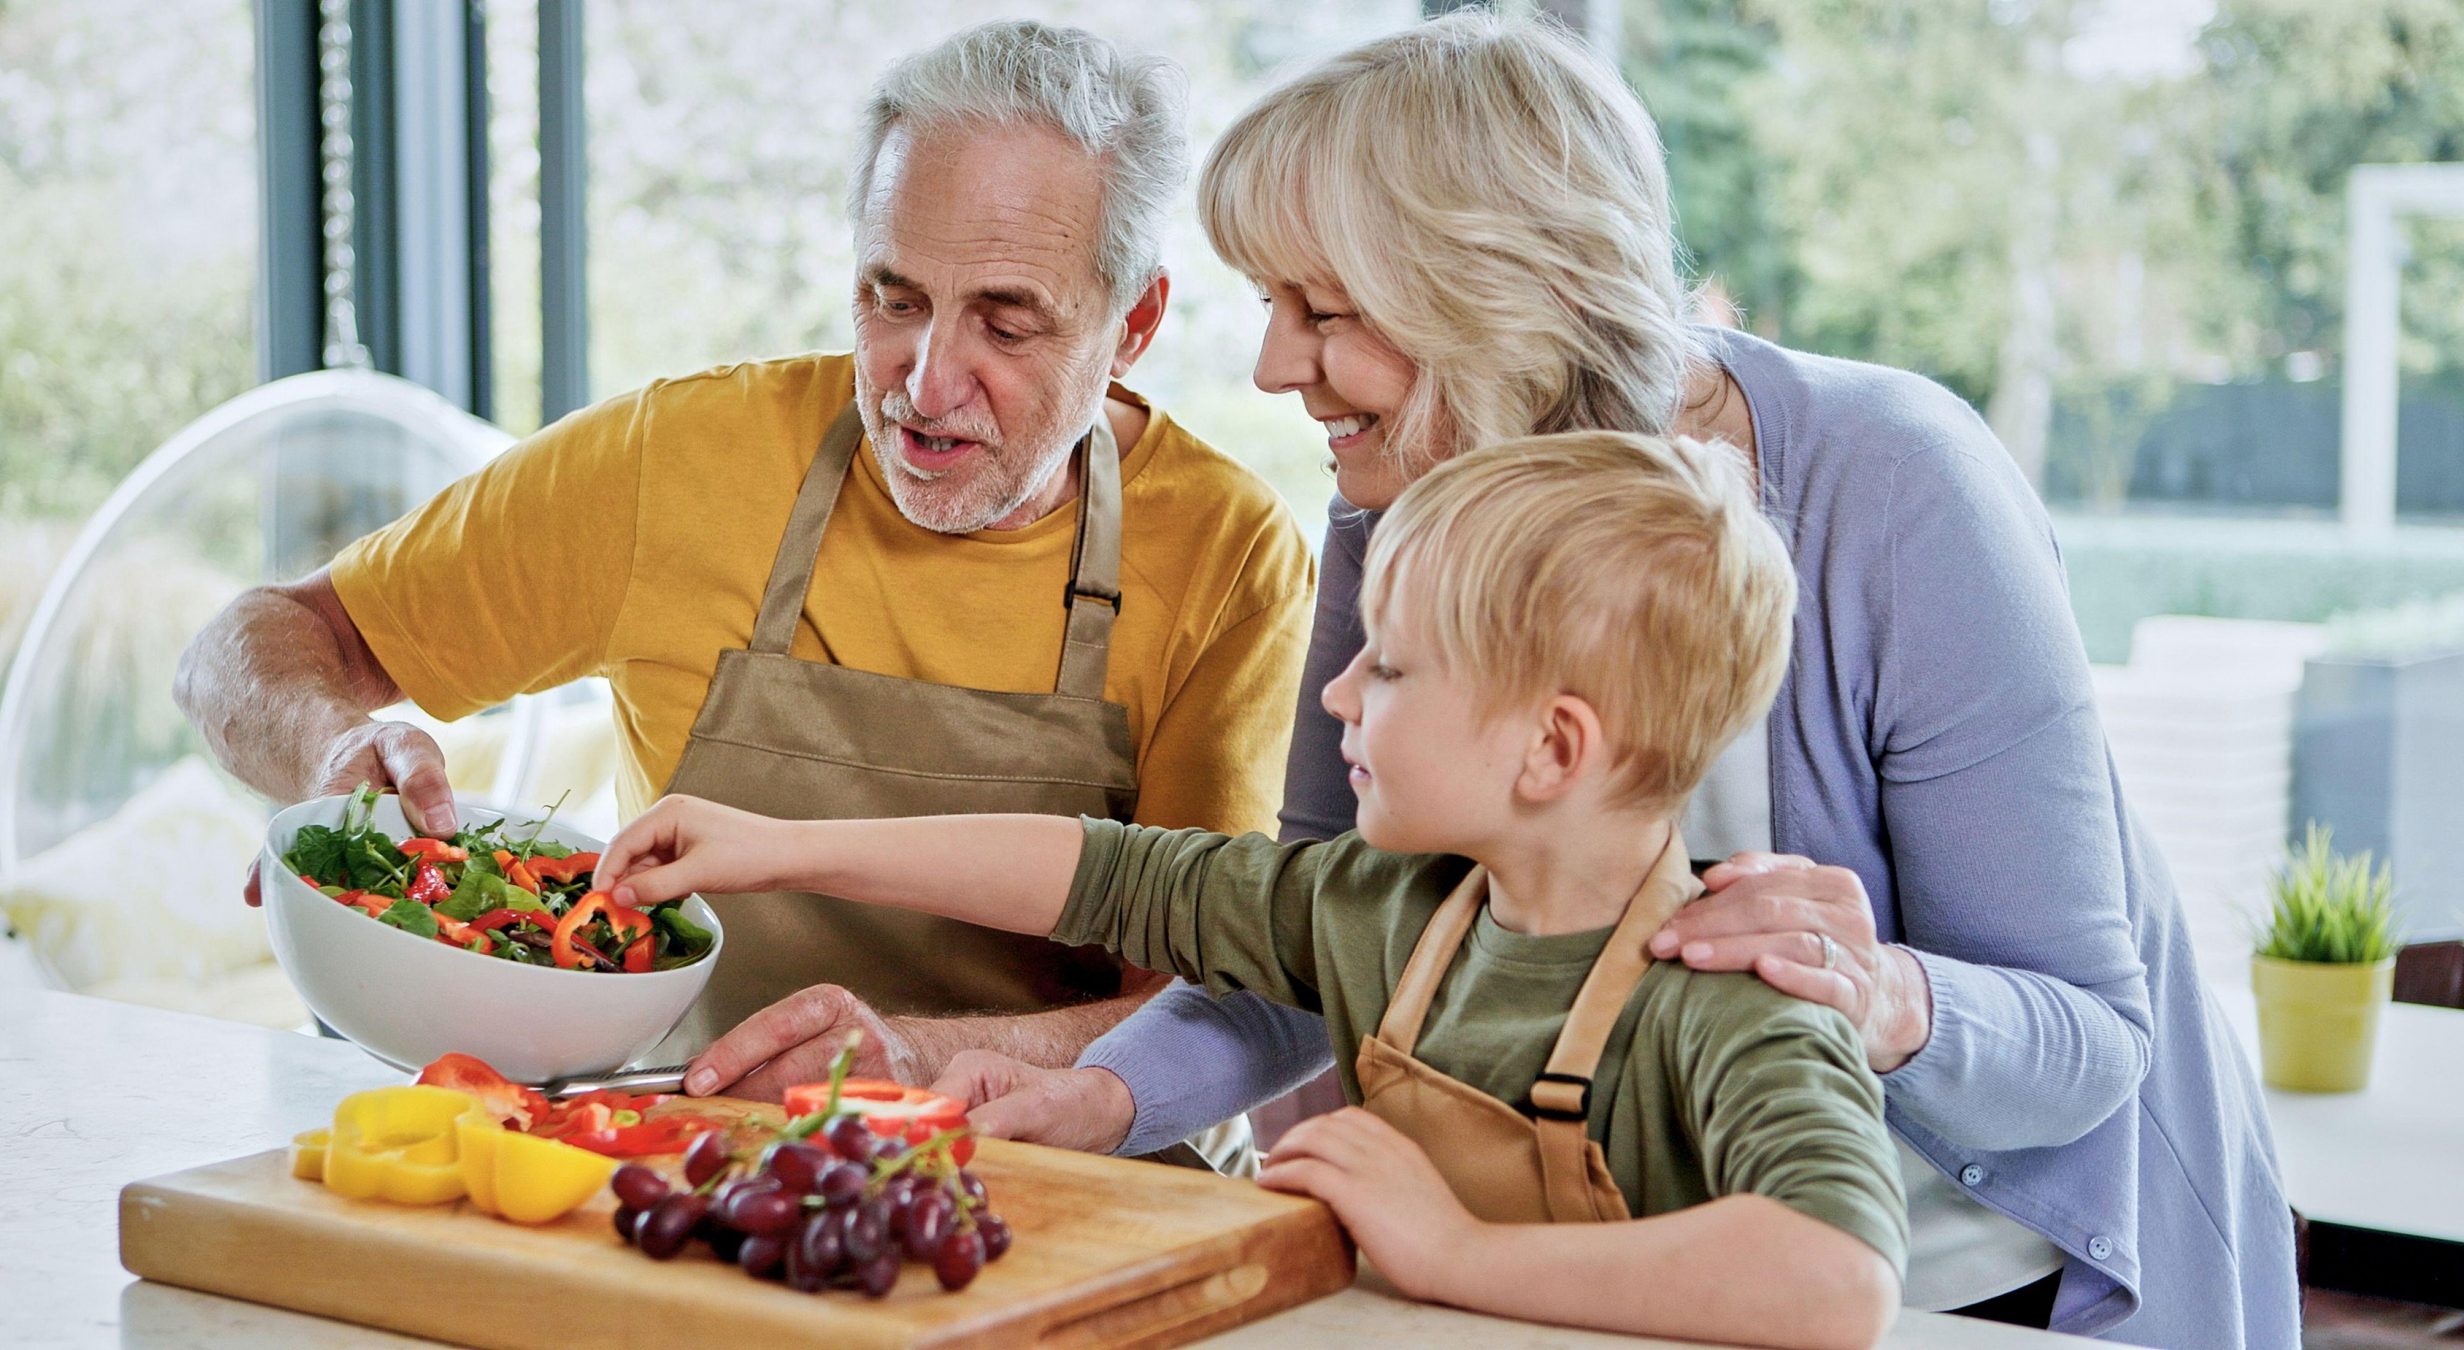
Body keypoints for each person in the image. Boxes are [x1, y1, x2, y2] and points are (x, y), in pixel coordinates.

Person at [942, 14, 2298, 1344]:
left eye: (1326, 310)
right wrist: (1104, 1098)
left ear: (1494, 292)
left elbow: (2087, 1037)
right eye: (1269, 305)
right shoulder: (1403, 495)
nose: (1272, 364)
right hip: (1598, 1282)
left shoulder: (1896, 490)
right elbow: (1314, 933)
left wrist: (1882, 991)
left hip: (1968, 1281)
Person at [174, 21, 1314, 1122]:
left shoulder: (1227, 553)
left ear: (1133, 324)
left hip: (1084, 1190)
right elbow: (250, 643)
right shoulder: (678, 461)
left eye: (1004, 327)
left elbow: (1221, 991)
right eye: (893, 298)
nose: (923, 384)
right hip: (689, 1154)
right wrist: (326, 753)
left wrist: (922, 1059)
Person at [595, 431, 1908, 1350]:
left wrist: (1452, 1249)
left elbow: (1837, 1279)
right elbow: (1097, 872)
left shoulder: (1735, 1002)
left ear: (1550, 747)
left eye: (1389, 670)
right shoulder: (1378, 909)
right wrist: (773, 845)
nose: (1338, 695)